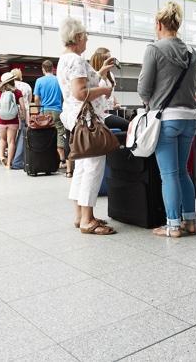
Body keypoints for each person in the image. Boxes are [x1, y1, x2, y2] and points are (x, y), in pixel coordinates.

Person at [137, 2, 196, 237]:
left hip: (166, 119)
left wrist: (151, 99)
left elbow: (143, 88)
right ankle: (190, 222)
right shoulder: (192, 53)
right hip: (191, 118)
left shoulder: (154, 49)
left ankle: (173, 226)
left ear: (159, 24)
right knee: (183, 171)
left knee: (169, 174)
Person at [58, 18, 117, 235]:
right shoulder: (76, 60)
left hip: (75, 119)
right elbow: (81, 93)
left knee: (82, 169)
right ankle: (87, 220)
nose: (87, 39)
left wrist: (100, 72)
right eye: (85, 36)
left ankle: (80, 216)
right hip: (88, 121)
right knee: (92, 168)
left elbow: (81, 85)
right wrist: (104, 91)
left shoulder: (64, 59)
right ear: (78, 37)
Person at [0, 72, 26, 168]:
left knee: (2, 139)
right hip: (13, 120)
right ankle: (9, 164)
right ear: (13, 80)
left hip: (1, 120)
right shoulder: (17, 92)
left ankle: (2, 156)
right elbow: (23, 107)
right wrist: (23, 115)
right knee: (11, 141)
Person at [33, 59, 67, 168]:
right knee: (60, 132)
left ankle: (47, 157)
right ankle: (62, 159)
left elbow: (36, 98)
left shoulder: (39, 81)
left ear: (43, 69)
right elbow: (63, 96)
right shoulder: (58, 80)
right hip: (57, 110)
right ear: (53, 68)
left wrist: (39, 110)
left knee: (46, 133)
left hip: (45, 110)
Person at [89, 47, 129, 131]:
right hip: (100, 114)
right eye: (109, 59)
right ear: (102, 61)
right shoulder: (94, 75)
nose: (112, 62)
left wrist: (116, 102)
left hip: (111, 111)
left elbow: (111, 93)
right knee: (128, 125)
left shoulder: (110, 75)